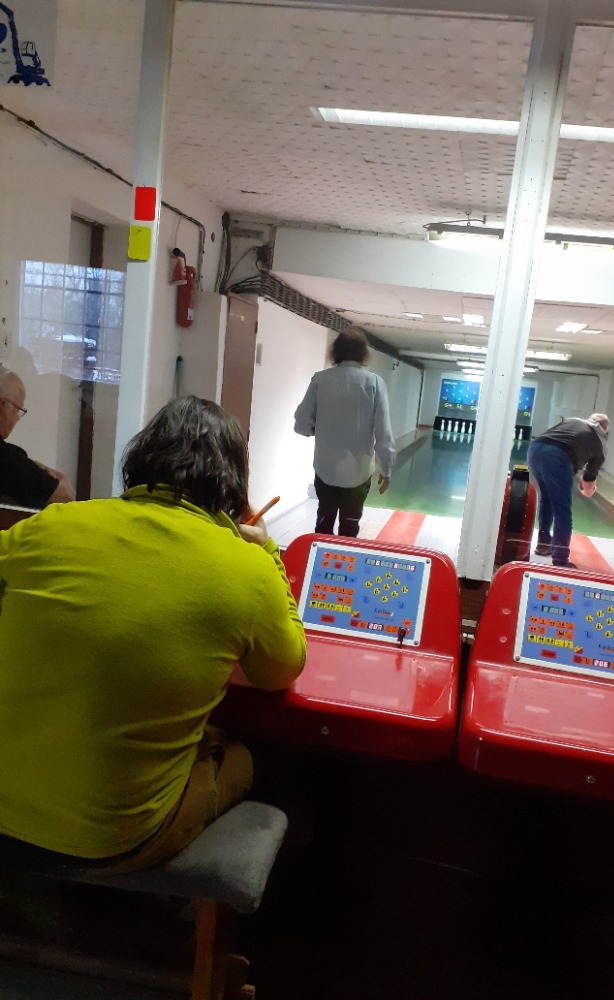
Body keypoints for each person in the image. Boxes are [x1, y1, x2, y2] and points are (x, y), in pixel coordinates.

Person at [0, 396, 306, 875]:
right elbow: (281, 670)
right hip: (107, 842)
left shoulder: (51, 523)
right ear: (231, 484)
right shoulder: (248, 568)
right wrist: (267, 550)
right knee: (239, 756)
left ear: (140, 459)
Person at [294, 328, 395, 537]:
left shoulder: (320, 380)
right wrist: (387, 469)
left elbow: (301, 422)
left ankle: (320, 557)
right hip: (359, 472)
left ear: (335, 351)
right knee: (349, 531)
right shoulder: (375, 383)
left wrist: (316, 429)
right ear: (364, 353)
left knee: (323, 527)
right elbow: (383, 433)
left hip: (325, 468)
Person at [527, 413, 610, 568]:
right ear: (605, 430)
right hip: (557, 456)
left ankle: (544, 544)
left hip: (535, 449)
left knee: (547, 498)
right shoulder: (600, 443)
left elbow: (552, 436)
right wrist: (587, 488)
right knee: (562, 510)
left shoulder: (574, 420)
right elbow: (588, 485)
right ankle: (560, 559)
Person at [0, 367, 76, 508]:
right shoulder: (7, 459)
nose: (18, 418)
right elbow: (66, 494)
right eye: (19, 410)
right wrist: (59, 476)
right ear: (4, 406)